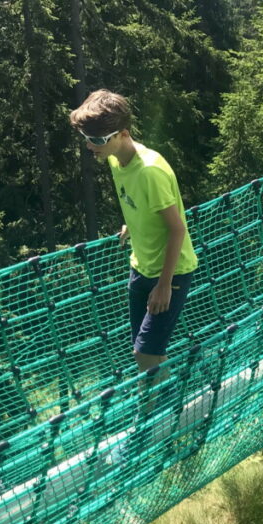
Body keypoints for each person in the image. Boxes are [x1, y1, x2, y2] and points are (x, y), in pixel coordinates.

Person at [70, 90, 198, 373]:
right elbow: (141, 202)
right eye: (87, 138)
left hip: (171, 272)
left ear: (123, 133)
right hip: (140, 267)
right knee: (146, 351)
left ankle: (151, 412)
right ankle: (169, 399)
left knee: (145, 354)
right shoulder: (116, 159)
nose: (91, 146)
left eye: (98, 140)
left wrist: (164, 285)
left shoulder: (150, 171)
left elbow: (177, 230)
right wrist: (134, 223)